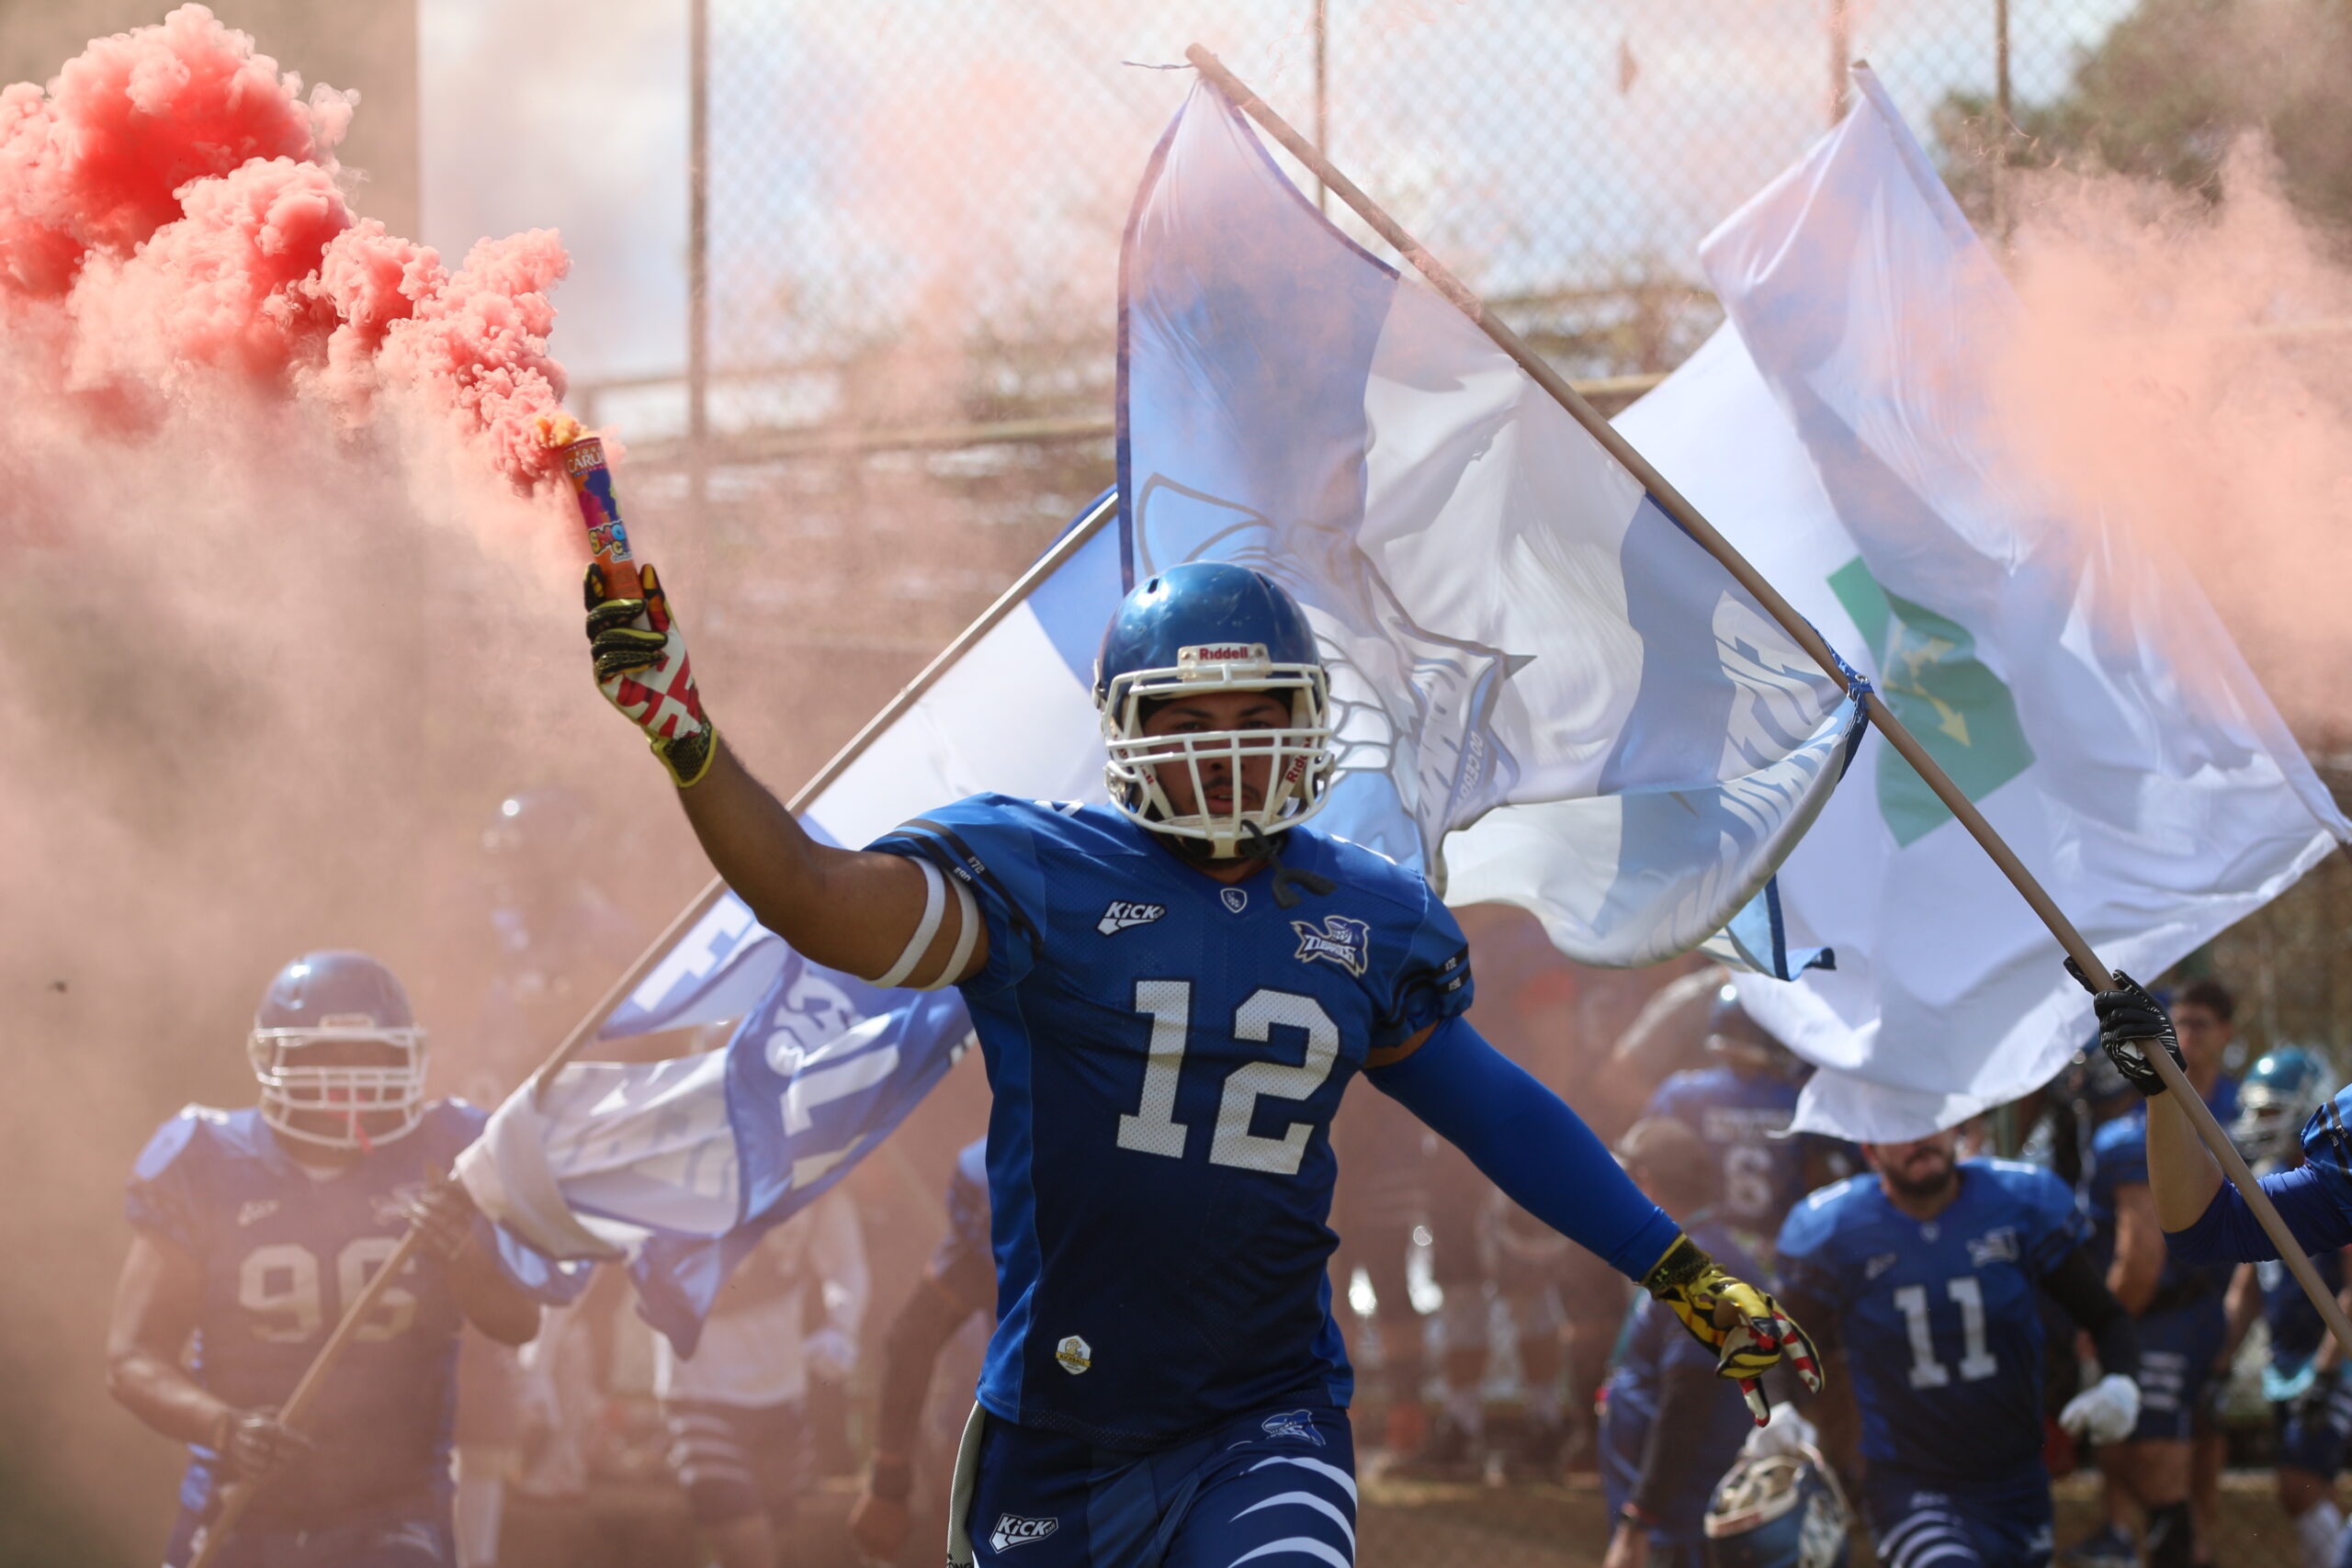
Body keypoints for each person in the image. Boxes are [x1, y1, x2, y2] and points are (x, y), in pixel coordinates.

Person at [582, 557, 1820, 1566]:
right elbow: (815, 895)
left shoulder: (1365, 914)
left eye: (1257, 715)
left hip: (1261, 1412)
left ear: (1309, 719)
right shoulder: (1040, 878)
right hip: (1059, 1428)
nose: (1224, 749)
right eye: (1185, 718)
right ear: (1123, 728)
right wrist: (688, 737)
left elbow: (1497, 1110)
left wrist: (1685, 1275)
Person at [107, 952, 545, 1568]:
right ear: (276, 1057)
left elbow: (518, 1321)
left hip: (394, 1508)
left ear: (403, 1056)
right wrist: (223, 1425)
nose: (351, 1077)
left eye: (371, 1056)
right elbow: (131, 1357)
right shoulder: (204, 1160)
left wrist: (461, 1253)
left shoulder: (445, 1151)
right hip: (241, 1504)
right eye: (327, 1056)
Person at [1772, 1123, 2143, 1568]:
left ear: (1956, 1129)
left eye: (1930, 1122)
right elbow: (1780, 1343)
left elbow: (2106, 1317)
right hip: (1911, 1483)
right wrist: (1778, 1409)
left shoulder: (2017, 1203)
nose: (1918, 1139)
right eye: (1902, 1127)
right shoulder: (1839, 1229)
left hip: (2017, 1479)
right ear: (1870, 1151)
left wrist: (2122, 1381)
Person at [2066, 990, 2238, 1568]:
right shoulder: (2113, 1133)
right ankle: (2125, 1538)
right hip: (2198, 1307)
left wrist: (2106, 1321)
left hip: (2161, 1313)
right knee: (2138, 1445)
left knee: (2155, 1461)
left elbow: (2141, 1259)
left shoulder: (2128, 1137)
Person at [656, 1189, 868, 1568]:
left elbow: (844, 1262)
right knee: (747, 1546)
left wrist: (842, 1326)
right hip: (698, 1389)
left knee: (770, 1542)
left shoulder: (813, 1175)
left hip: (781, 1392)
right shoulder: (678, 1161)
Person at [1598, 1118, 1762, 1568]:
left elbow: (1688, 1402)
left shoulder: (1699, 1268)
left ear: (1644, 1183)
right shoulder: (1688, 1252)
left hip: (1684, 1525)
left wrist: (1640, 1517)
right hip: (1677, 1518)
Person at [2226, 1048, 2352, 1568]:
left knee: (2299, 1485)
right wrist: (2219, 1360)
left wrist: (2325, 1371)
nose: (2259, 1125)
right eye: (2255, 1112)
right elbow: (2248, 1284)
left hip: (2333, 1360)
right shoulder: (2269, 1177)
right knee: (2298, 1487)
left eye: (2272, 1112)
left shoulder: (2331, 1179)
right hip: (2289, 1363)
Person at [851, 1138, 999, 1564]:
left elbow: (911, 1339)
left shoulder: (1004, 1171)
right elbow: (912, 1339)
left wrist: (888, 1484)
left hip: (1035, 1449)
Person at [1645, 987, 1857, 1259]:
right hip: (1782, 1244)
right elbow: (1856, 1160)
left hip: (1707, 1243)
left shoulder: (1682, 1095)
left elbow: (1646, 1156)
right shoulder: (1798, 1099)